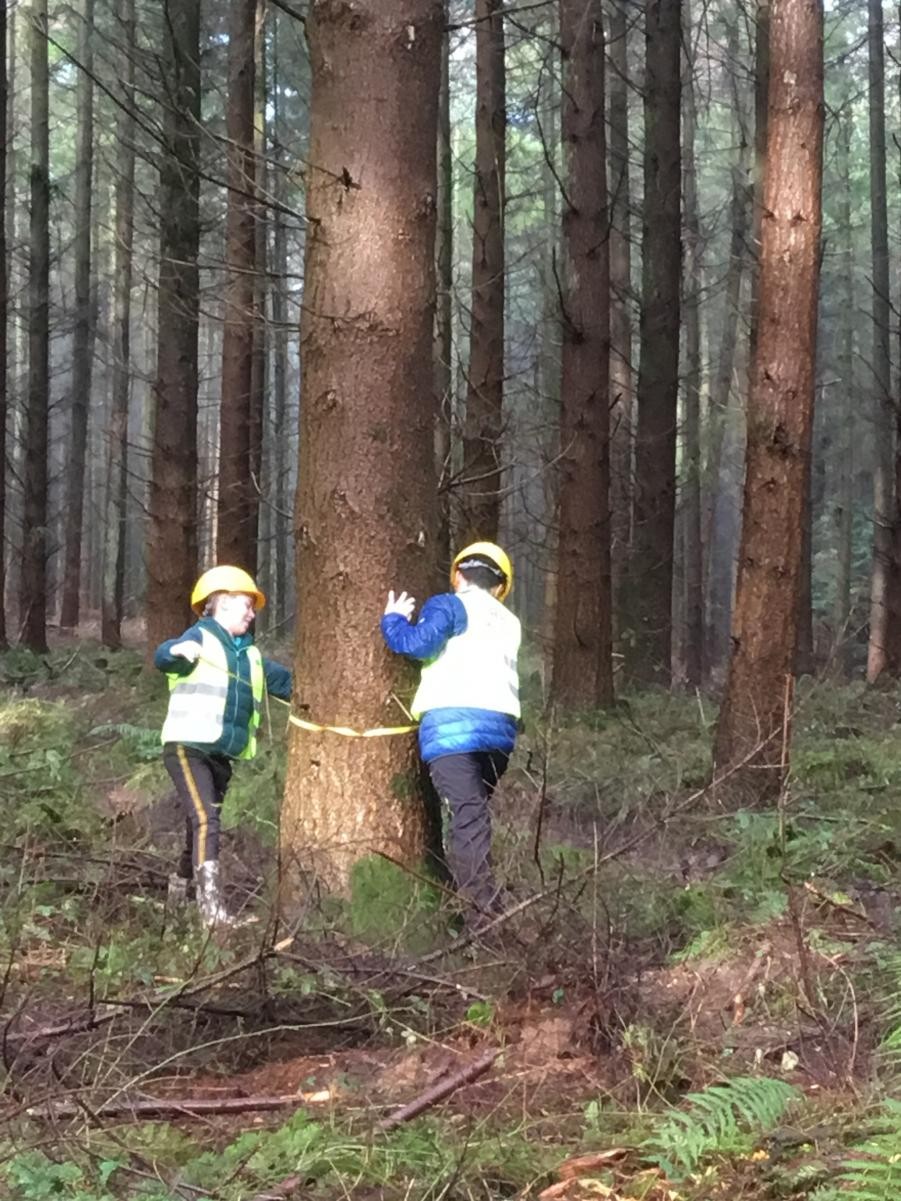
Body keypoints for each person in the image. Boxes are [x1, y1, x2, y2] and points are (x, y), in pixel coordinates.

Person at [380, 542, 521, 925]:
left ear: (458, 575)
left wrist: (393, 620)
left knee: (468, 818)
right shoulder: (510, 622)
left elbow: (417, 645)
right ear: (500, 586)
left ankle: (483, 914)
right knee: (472, 814)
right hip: (500, 736)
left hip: (452, 732)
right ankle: (473, 899)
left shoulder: (450, 605)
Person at [154, 565, 292, 926]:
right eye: (247, 605)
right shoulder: (199, 638)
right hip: (188, 747)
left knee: (197, 825)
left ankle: (177, 897)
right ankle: (211, 912)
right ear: (222, 603)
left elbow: (289, 684)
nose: (252, 613)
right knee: (206, 820)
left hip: (220, 756)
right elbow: (164, 656)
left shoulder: (251, 657)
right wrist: (176, 650)